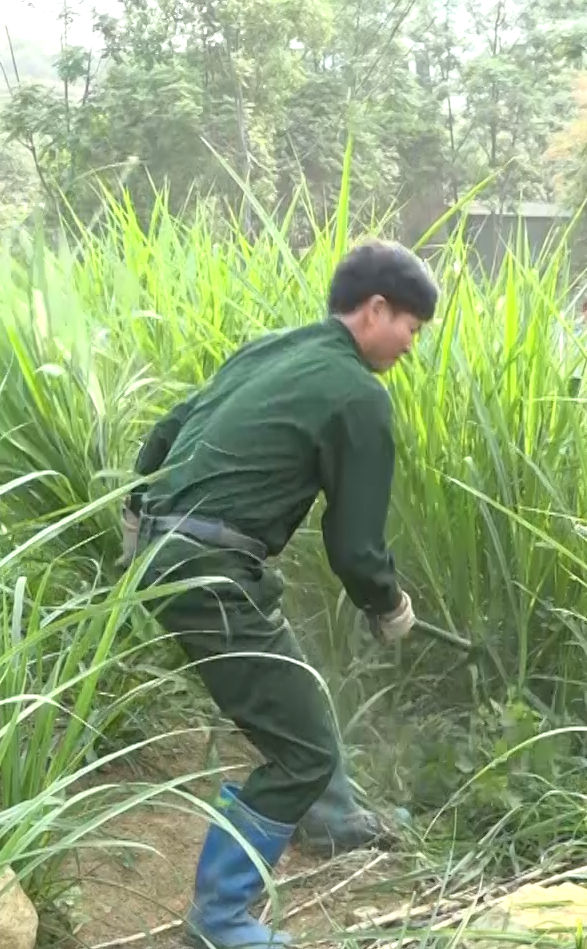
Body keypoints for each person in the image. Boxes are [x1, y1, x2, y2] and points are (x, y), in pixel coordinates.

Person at [121, 239, 437, 948]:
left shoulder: (272, 349)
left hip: (171, 549)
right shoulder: (359, 394)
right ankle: (219, 918)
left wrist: (137, 514)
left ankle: (333, 820)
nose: (411, 346)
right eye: (411, 328)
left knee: (298, 688)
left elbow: (170, 426)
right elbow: (354, 546)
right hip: (210, 571)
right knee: (300, 748)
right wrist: (388, 605)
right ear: (376, 309)